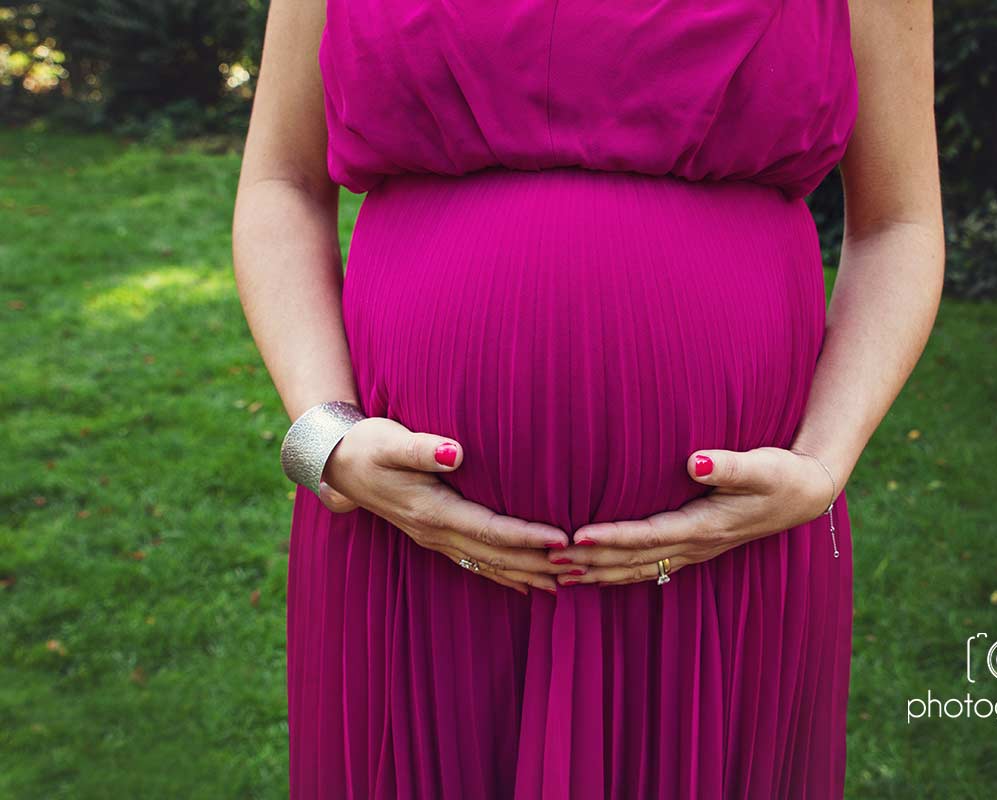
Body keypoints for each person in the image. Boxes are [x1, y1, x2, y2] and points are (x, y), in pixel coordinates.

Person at [232, 0, 943, 796]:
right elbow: (281, 184)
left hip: (729, 552)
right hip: (406, 533)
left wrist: (823, 463)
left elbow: (900, 222)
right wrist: (327, 438)